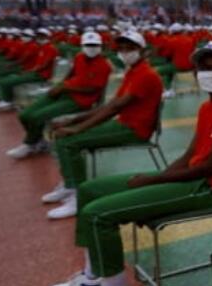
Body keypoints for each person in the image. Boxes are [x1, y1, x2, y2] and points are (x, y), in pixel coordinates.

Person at [44, 42, 212, 286]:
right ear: (195, 72)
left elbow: (208, 168)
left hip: (208, 189)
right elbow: (189, 156)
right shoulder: (208, 107)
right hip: (188, 179)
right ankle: (93, 275)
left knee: (99, 214)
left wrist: (153, 182)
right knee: (90, 190)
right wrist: (162, 175)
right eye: (205, 67)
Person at [43, 30, 165, 219]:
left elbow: (113, 108)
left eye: (130, 48)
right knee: (65, 136)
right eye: (122, 48)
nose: (124, 52)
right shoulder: (133, 71)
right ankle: (70, 185)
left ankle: (77, 196)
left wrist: (77, 127)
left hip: (134, 130)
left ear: (143, 50)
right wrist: (74, 119)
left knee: (68, 141)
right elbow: (111, 104)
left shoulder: (146, 75)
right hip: (123, 124)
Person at [7, 31, 112, 160]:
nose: (91, 48)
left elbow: (92, 89)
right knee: (25, 115)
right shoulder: (79, 57)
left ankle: (29, 144)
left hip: (79, 101)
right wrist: (59, 85)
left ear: (100, 46)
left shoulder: (104, 65)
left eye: (95, 45)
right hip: (64, 91)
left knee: (36, 117)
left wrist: (65, 87)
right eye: (88, 45)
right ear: (82, 45)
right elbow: (72, 73)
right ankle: (38, 141)